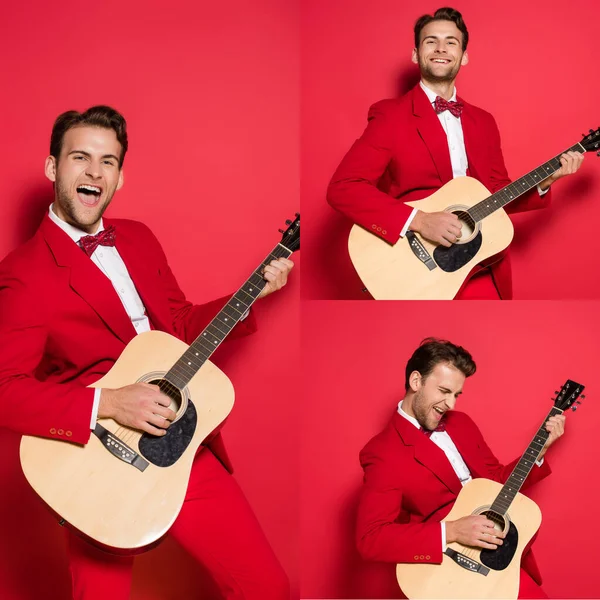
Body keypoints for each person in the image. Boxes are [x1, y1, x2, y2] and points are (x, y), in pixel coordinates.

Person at [0, 105, 294, 600]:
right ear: (53, 168)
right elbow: (5, 391)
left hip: (178, 442)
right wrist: (112, 403)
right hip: (98, 459)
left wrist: (250, 295)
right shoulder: (24, 273)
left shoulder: (137, 238)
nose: (94, 171)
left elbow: (177, 326)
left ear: (119, 176)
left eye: (108, 161)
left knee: (266, 586)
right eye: (80, 158)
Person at [327, 7, 584, 299]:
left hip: (479, 264)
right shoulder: (390, 116)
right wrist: (420, 220)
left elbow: (496, 195)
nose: (441, 48)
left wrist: (544, 182)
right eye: (430, 41)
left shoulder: (484, 121)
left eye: (451, 42)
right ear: (415, 54)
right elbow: (343, 188)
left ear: (463, 56)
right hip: (415, 267)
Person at [356, 338, 565, 599]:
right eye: (444, 391)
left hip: (496, 556)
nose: (451, 405)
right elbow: (371, 538)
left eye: (456, 394)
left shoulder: (461, 423)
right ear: (416, 382)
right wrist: (452, 529)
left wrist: (538, 452)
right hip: (449, 567)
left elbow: (495, 481)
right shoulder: (383, 452)